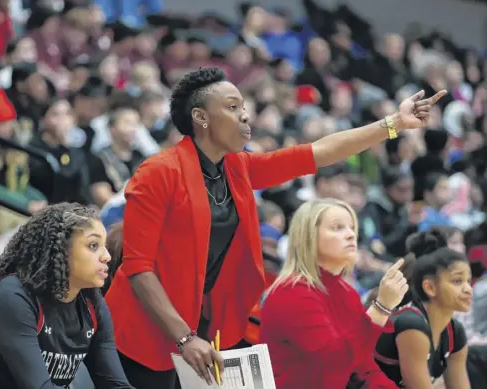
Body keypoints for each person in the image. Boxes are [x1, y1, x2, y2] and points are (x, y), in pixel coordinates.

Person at [105, 66, 446, 389]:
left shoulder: (239, 167)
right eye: (232, 106)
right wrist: (184, 337)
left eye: (244, 106)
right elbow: (138, 268)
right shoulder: (159, 172)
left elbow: (320, 152)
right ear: (201, 117)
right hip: (144, 331)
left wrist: (393, 124)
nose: (244, 114)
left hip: (205, 325)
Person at [0, 203, 134, 389]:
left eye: (104, 246)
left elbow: (115, 384)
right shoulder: (13, 297)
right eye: (93, 245)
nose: (106, 256)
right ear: (58, 250)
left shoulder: (92, 302)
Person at [260, 198, 407, 389]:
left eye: (352, 227)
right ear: (309, 236)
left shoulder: (346, 292)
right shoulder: (291, 292)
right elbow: (336, 361)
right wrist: (381, 308)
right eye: (338, 228)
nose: (350, 235)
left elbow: (363, 369)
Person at [374, 241, 472, 388]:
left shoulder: (455, 332)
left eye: (469, 281)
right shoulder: (411, 324)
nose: (468, 289)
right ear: (430, 287)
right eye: (457, 281)